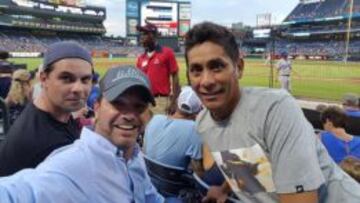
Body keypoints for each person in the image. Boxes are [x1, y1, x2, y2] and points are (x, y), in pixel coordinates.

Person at [184, 22, 360, 203]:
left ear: (239, 68)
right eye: (196, 70)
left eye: (216, 66)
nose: (206, 81)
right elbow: (246, 163)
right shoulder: (204, 123)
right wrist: (223, 190)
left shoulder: (276, 110)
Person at [0, 66, 164, 203]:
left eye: (139, 106)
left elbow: (150, 197)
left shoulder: (134, 154)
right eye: (118, 104)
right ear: (97, 108)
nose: (129, 114)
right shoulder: (73, 165)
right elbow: (19, 191)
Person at [0, 41, 93, 176]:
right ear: (43, 78)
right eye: (66, 78)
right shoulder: (45, 145)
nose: (78, 88)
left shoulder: (52, 116)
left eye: (85, 80)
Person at [143, 86, 203, 173]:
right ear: (199, 110)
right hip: (176, 185)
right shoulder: (195, 129)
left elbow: (145, 151)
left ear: (176, 102)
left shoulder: (155, 119)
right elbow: (198, 170)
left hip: (148, 178)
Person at [136, 21, 180, 115]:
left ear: (153, 36)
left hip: (161, 101)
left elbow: (175, 77)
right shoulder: (141, 58)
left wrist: (174, 101)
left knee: (160, 129)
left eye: (145, 34)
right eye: (141, 34)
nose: (142, 36)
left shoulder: (167, 53)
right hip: (144, 102)